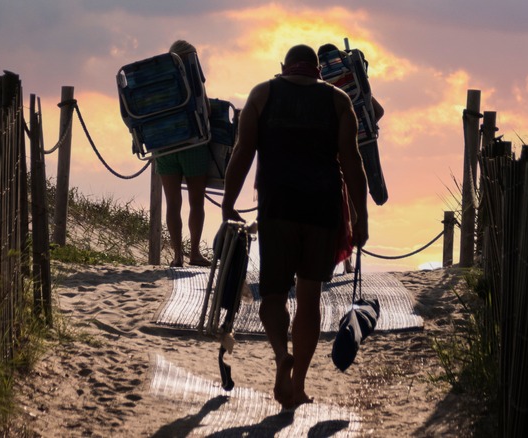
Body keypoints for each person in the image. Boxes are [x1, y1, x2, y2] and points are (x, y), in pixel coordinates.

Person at [221, 44, 369, 409]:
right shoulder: (338, 101)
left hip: (278, 206)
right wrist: (361, 216)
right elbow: (352, 163)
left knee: (271, 296)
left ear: (284, 67)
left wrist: (227, 203)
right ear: (317, 71)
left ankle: (280, 356)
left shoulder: (263, 94)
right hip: (322, 209)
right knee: (309, 297)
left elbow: (242, 152)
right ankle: (298, 386)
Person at [317, 43, 385, 273]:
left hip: (331, 149)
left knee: (338, 199)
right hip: (359, 142)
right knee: (355, 196)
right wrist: (367, 126)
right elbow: (378, 111)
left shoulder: (322, 85)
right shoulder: (352, 80)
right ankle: (351, 256)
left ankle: (338, 255)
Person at [156, 40, 211, 268]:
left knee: (172, 204)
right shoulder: (194, 80)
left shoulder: (159, 81)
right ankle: (195, 253)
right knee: (196, 202)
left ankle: (178, 256)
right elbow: (205, 110)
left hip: (165, 149)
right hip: (193, 147)